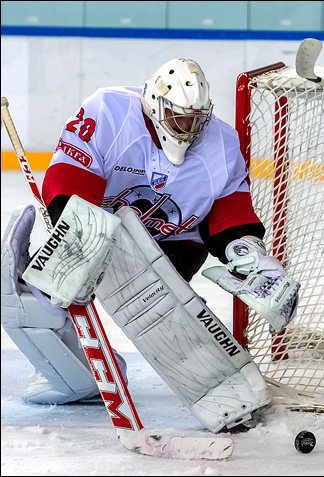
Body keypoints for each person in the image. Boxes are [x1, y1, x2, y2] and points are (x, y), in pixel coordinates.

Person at [1, 58, 299, 432]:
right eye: (178, 116)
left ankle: (222, 390)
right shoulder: (108, 111)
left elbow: (229, 216)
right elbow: (68, 177)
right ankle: (68, 365)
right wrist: (76, 233)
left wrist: (249, 255)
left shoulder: (221, 143)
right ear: (157, 106)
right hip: (102, 231)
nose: (188, 127)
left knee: (167, 312)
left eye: (194, 117)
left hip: (177, 246)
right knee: (55, 288)